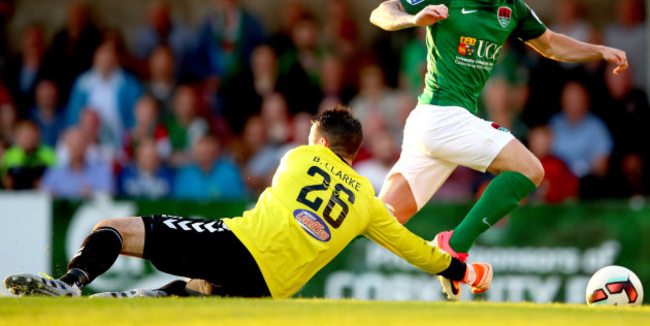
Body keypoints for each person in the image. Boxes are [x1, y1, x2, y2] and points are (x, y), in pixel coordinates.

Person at [369, 0, 628, 299]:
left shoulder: (513, 9)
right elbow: (382, 12)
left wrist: (599, 50)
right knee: (530, 169)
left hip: (434, 127)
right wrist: (414, 18)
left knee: (380, 221)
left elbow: (552, 44)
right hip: (443, 116)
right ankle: (453, 246)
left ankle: (293, 242)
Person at [4, 107, 491, 299]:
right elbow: (410, 248)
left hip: (242, 245)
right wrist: (458, 271)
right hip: (271, 289)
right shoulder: (366, 200)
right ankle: (127, 303)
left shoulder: (300, 156)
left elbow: (284, 193)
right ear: (354, 152)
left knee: (117, 227)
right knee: (198, 291)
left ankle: (70, 285)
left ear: (319, 141)